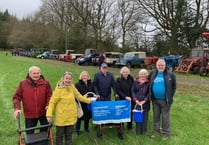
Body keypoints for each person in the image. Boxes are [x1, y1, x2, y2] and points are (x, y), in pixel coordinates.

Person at [46, 72, 94, 145]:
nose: (68, 80)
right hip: (61, 118)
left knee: (69, 136)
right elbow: (52, 102)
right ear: (63, 79)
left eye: (70, 79)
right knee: (60, 136)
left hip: (70, 117)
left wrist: (89, 101)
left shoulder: (72, 87)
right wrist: (49, 114)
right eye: (66, 78)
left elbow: (79, 96)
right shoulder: (59, 89)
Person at [13, 66, 52, 134]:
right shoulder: (23, 83)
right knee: (29, 133)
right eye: (34, 73)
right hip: (30, 114)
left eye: (38, 73)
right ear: (29, 74)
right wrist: (17, 108)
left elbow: (49, 95)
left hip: (44, 112)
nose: (36, 75)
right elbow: (17, 97)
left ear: (40, 74)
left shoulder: (45, 83)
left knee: (44, 132)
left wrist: (48, 105)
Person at [149, 58, 176, 140]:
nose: (160, 66)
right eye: (159, 65)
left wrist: (170, 96)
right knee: (156, 116)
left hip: (165, 100)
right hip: (155, 100)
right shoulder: (153, 73)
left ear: (165, 66)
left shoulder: (170, 74)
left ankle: (166, 133)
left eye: (162, 65)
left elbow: (174, 87)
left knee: (165, 117)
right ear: (156, 66)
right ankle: (156, 131)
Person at [75, 71, 95, 136]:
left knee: (87, 117)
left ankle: (86, 128)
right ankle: (77, 130)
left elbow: (93, 92)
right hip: (81, 104)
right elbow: (75, 95)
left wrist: (95, 95)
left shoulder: (91, 84)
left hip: (88, 103)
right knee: (79, 117)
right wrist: (82, 96)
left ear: (88, 77)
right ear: (81, 76)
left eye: (86, 76)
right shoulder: (77, 84)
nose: (85, 77)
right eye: (83, 76)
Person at [132, 69, 150, 135]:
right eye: (141, 74)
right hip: (137, 103)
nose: (143, 75)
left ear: (146, 75)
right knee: (138, 118)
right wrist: (135, 100)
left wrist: (145, 100)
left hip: (145, 104)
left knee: (145, 119)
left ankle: (144, 132)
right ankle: (138, 132)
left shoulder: (148, 83)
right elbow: (133, 91)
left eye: (144, 74)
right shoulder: (135, 82)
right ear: (139, 75)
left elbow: (149, 93)